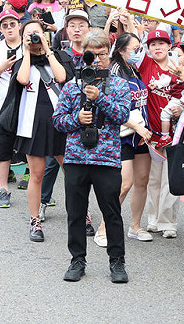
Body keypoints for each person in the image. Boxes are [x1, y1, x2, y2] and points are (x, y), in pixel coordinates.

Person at [52, 31, 131, 283]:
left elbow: (121, 115)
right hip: (75, 159)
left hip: (106, 160)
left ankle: (117, 262)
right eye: (91, 55)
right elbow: (57, 121)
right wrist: (77, 119)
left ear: (108, 53)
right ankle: (77, 260)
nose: (96, 60)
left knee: (112, 213)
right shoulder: (72, 85)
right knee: (75, 212)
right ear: (82, 55)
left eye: (101, 54)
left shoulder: (119, 84)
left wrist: (101, 98)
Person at [93, 32, 153, 247]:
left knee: (142, 180)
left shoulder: (135, 69)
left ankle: (135, 226)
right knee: (124, 183)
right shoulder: (114, 72)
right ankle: (103, 227)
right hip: (121, 134)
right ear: (119, 50)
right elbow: (111, 108)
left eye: (139, 48)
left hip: (141, 134)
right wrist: (135, 125)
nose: (138, 53)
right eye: (133, 49)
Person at [12, 20, 67, 241]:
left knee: (71, 172)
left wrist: (47, 48)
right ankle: (35, 220)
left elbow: (62, 77)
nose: (34, 37)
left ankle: (81, 215)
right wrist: (27, 51)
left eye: (37, 33)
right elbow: (23, 79)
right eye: (29, 33)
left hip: (60, 122)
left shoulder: (59, 56)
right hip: (32, 124)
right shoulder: (21, 61)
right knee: (36, 174)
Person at [139, 29, 183, 238]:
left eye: (161, 43)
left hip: (176, 132)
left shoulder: (179, 67)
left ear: (169, 46)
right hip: (152, 133)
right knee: (153, 178)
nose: (157, 47)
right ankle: (152, 219)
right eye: (153, 44)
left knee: (170, 179)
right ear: (148, 49)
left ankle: (168, 222)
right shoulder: (146, 65)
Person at [0, 9, 23, 207]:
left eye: (12, 24)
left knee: (34, 150)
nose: (9, 28)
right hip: (4, 106)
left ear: (19, 25)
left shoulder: (28, 45)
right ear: (0, 28)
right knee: (2, 149)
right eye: (5, 25)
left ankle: (41, 189)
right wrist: (3, 67)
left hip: (29, 103)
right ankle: (3, 188)